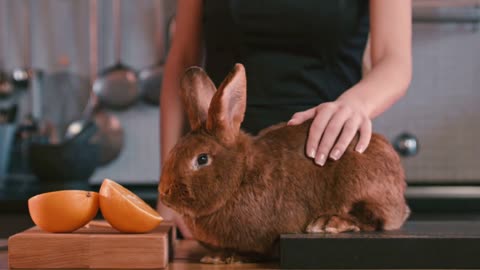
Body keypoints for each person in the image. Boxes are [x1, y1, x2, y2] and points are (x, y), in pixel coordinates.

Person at [157, 0, 412, 239]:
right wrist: (169, 191)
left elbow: (394, 60)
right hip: (220, 186)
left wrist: (356, 104)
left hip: (323, 174)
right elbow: (182, 58)